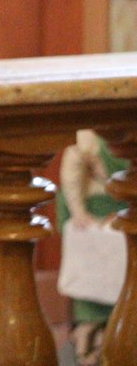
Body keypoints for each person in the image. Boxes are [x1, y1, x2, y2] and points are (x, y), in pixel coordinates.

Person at [57, 129, 128, 366]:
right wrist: (78, 211)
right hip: (96, 211)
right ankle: (88, 345)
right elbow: (73, 169)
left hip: (124, 208)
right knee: (92, 281)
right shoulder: (90, 136)